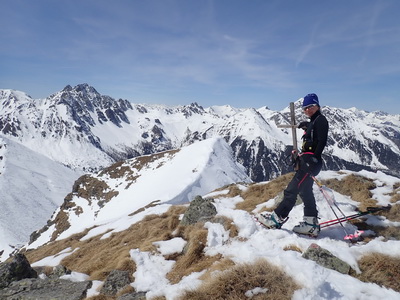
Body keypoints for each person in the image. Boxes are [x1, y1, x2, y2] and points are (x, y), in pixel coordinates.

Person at [257, 93, 329, 236]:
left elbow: (321, 141)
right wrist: (307, 126)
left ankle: (276, 219)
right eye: (305, 108)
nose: (307, 110)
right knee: (305, 191)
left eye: (311, 106)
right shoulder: (315, 121)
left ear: (317, 106)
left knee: (292, 190)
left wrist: (314, 158)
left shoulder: (321, 120)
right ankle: (310, 223)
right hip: (308, 162)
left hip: (310, 163)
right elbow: (313, 133)